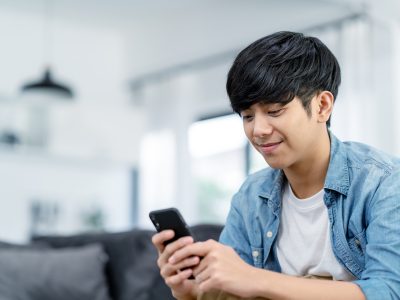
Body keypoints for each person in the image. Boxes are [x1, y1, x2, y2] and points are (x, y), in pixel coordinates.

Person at [151, 31, 400, 300]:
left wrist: (255, 279)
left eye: (274, 111)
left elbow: (389, 291)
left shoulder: (383, 183)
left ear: (322, 106)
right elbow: (233, 291)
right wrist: (191, 292)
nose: (258, 130)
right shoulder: (251, 195)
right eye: (247, 116)